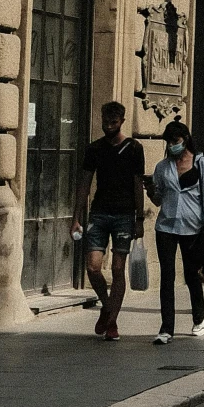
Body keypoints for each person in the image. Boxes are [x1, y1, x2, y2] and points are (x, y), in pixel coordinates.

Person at [72, 100, 146, 339]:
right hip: (99, 212)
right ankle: (106, 305)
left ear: (122, 121)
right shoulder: (94, 149)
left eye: (113, 123)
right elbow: (84, 184)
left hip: (124, 214)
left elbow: (138, 184)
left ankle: (112, 321)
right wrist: (77, 217)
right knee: (92, 266)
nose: (108, 127)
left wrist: (139, 218)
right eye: (105, 122)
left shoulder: (134, 148)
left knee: (117, 268)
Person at [147, 119, 204, 343]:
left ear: (185, 140)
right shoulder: (162, 167)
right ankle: (166, 328)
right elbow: (157, 200)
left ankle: (199, 316)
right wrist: (151, 192)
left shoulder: (201, 163)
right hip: (166, 225)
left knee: (191, 273)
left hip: (193, 227)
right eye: (169, 142)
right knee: (167, 276)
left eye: (175, 141)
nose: (172, 146)